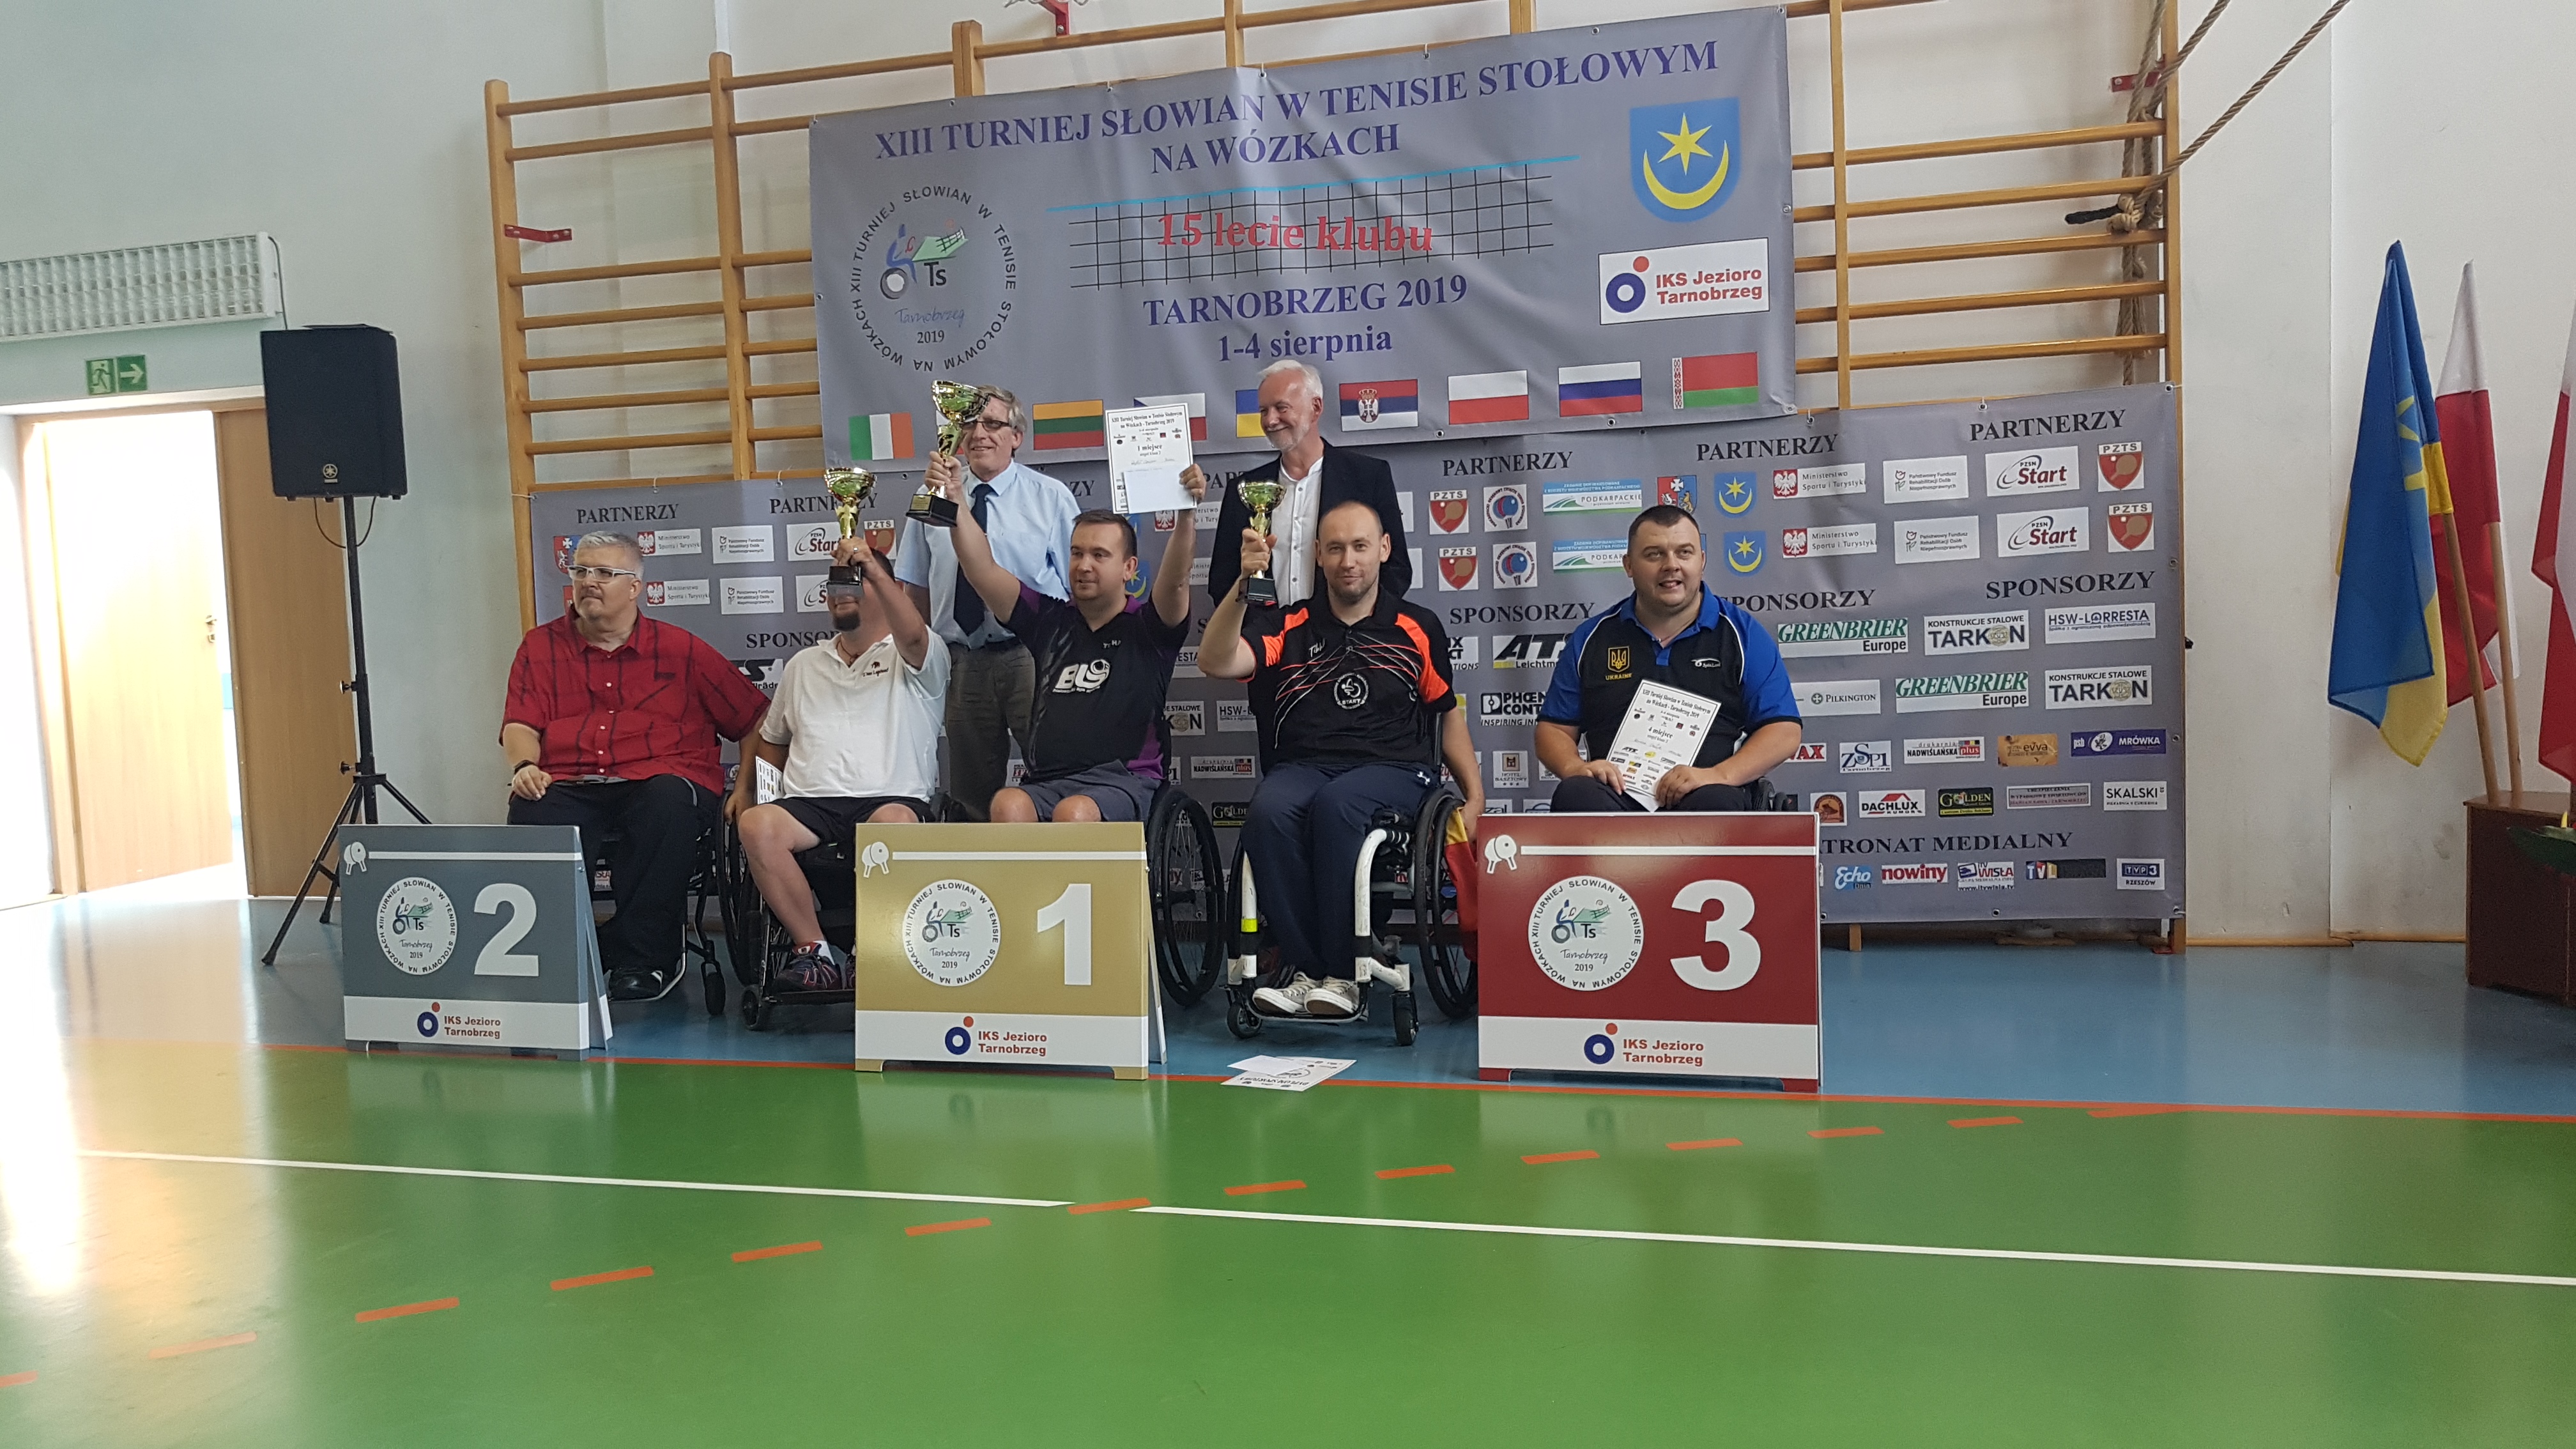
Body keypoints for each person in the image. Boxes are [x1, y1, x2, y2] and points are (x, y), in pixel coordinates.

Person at [1200, 498, 1482, 1020]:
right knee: (1268, 809)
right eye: (1335, 549)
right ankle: (1306, 973)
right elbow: (1215, 661)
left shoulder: (1417, 626)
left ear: (1384, 549)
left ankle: (1345, 974)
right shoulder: (1289, 624)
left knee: (1339, 804)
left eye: (1359, 546)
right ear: (1317, 555)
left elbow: (1447, 714)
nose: (1348, 560)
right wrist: (1243, 585)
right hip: (1305, 767)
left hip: (1397, 770)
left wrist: (1476, 795)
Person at [501, 530, 769, 1000]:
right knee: (533, 807)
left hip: (661, 779)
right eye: (581, 571)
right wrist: (525, 764)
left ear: (634, 587)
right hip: (573, 779)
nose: (589, 582)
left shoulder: (682, 650)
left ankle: (644, 960)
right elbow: (520, 723)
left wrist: (745, 789)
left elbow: (754, 720)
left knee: (667, 801)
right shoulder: (540, 647)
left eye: (604, 573)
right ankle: (556, 954)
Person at [726, 533, 947, 990]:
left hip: (891, 799)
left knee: (892, 824)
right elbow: (772, 742)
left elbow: (911, 633)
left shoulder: (921, 655)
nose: (841, 592)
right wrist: (753, 792)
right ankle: (815, 955)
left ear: (887, 588)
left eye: (856, 581)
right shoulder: (804, 664)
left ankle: (872, 951)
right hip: (812, 804)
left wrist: (872, 565)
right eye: (836, 584)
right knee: (757, 825)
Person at [942, 461, 1205, 823]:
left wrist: (1186, 516)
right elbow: (982, 570)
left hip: (1126, 782)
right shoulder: (1049, 620)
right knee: (1007, 804)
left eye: (1100, 555)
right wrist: (956, 499)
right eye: (1077, 553)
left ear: (1129, 568)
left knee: (1074, 812)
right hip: (1049, 781)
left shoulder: (1150, 627)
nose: (1084, 565)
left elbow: (1175, 581)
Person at [1536, 504, 1804, 812]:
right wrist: (1575, 767)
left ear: (1702, 561)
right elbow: (1554, 729)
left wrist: (1719, 775)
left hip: (1706, 793)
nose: (1671, 565)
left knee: (1718, 802)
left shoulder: (1743, 635)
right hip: (1613, 796)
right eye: (1654, 555)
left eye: (1684, 553)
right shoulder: (1592, 637)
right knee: (1576, 792)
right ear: (1629, 565)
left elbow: (1784, 730)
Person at [893, 386, 1081, 820]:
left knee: (1055, 775)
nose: (979, 434)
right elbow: (916, 587)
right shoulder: (931, 496)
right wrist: (923, 660)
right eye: (970, 425)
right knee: (971, 796)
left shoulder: (1050, 497)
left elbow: (1077, 585)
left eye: (993, 424)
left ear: (1016, 436)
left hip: (1034, 655)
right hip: (960, 661)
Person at [1204, 358, 1412, 608]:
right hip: (1263, 632)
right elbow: (1223, 581)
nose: (1270, 420)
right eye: (1264, 411)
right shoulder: (1245, 489)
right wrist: (1260, 627)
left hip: (1344, 632)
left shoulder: (1368, 477)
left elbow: (1396, 570)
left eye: (1281, 408)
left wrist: (1355, 623)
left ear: (1316, 407)